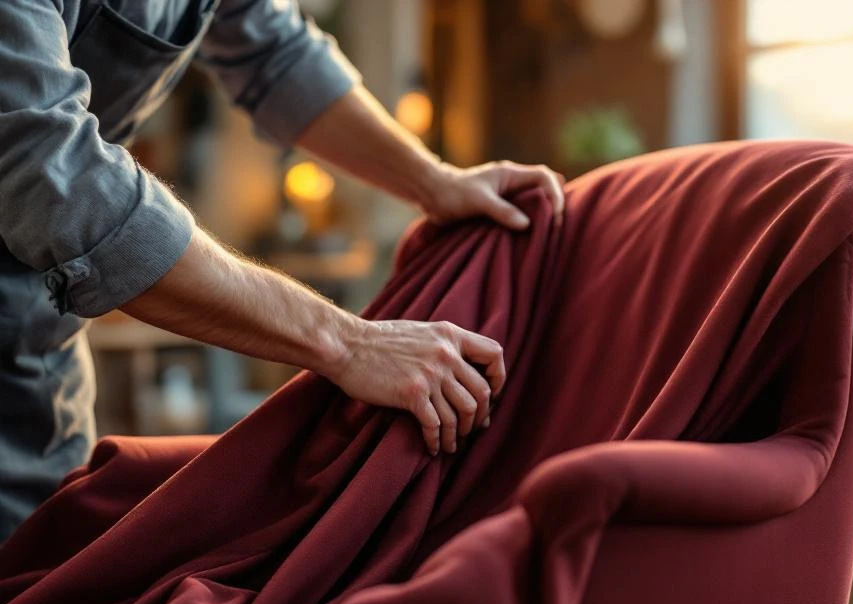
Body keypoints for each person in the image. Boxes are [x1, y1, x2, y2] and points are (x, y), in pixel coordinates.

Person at [0, 0, 565, 539]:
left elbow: (276, 52)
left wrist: (434, 181)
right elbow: (61, 181)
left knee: (37, 568)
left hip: (37, 338)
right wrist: (348, 344)